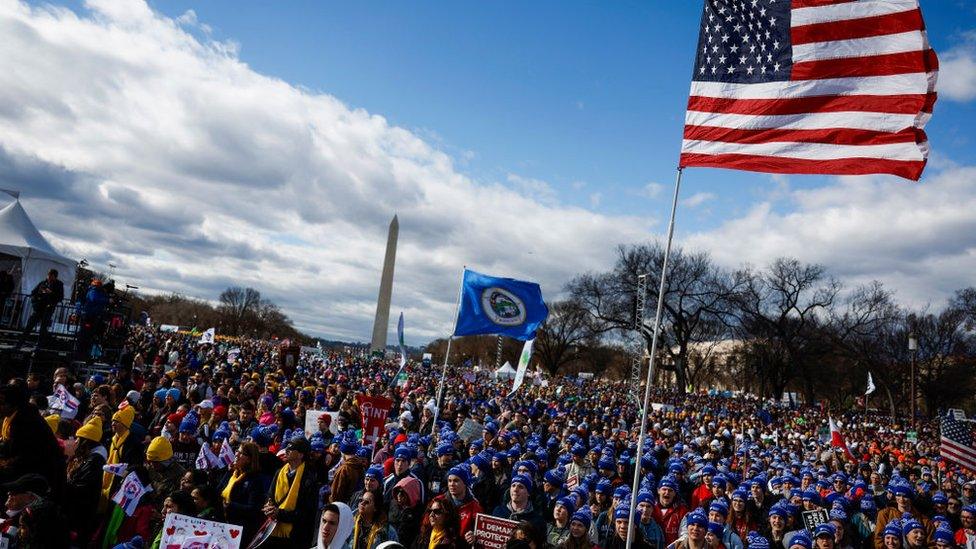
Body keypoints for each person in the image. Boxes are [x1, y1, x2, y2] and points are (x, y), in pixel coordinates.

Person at [0, 383, 66, 500]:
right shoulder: (15, 416)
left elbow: (21, 455)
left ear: (13, 404)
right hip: (29, 468)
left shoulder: (26, 421)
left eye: (2, 403)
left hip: (43, 476)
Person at [262, 436, 319, 548]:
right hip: (273, 531)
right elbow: (270, 496)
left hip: (295, 536)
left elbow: (306, 513)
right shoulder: (279, 472)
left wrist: (279, 513)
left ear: (301, 455)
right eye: (286, 447)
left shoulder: (309, 480)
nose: (286, 450)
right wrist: (268, 507)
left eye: (291, 449)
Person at [66, 416, 108, 545]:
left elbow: (82, 489)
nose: (76, 441)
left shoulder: (94, 461)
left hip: (80, 517)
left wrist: (63, 485)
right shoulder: (87, 458)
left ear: (86, 442)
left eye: (79, 439)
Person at [220, 441, 269, 546]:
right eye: (237, 450)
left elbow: (253, 508)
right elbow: (218, 491)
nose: (236, 454)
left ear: (249, 459)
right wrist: (228, 472)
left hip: (240, 530)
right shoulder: (233, 473)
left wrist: (230, 505)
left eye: (241, 453)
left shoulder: (254, 480)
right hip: (223, 524)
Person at [17, 268, 64, 348]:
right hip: (38, 308)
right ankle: (20, 343)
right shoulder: (43, 283)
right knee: (29, 325)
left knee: (43, 328)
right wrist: (35, 303)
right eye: (48, 275)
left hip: (48, 309)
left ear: (54, 277)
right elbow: (33, 293)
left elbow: (60, 297)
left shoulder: (59, 284)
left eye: (51, 276)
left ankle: (39, 346)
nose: (49, 277)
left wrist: (51, 293)